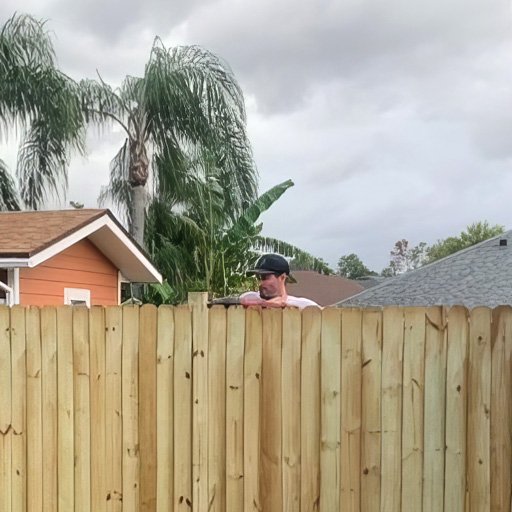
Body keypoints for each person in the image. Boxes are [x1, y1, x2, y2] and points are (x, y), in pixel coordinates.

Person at [240, 253, 319, 308]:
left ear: (282, 277)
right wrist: (267, 304)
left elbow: (326, 312)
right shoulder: (250, 297)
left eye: (265, 278)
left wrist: (285, 304)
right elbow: (237, 302)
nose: (260, 283)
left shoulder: (302, 305)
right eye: (258, 278)